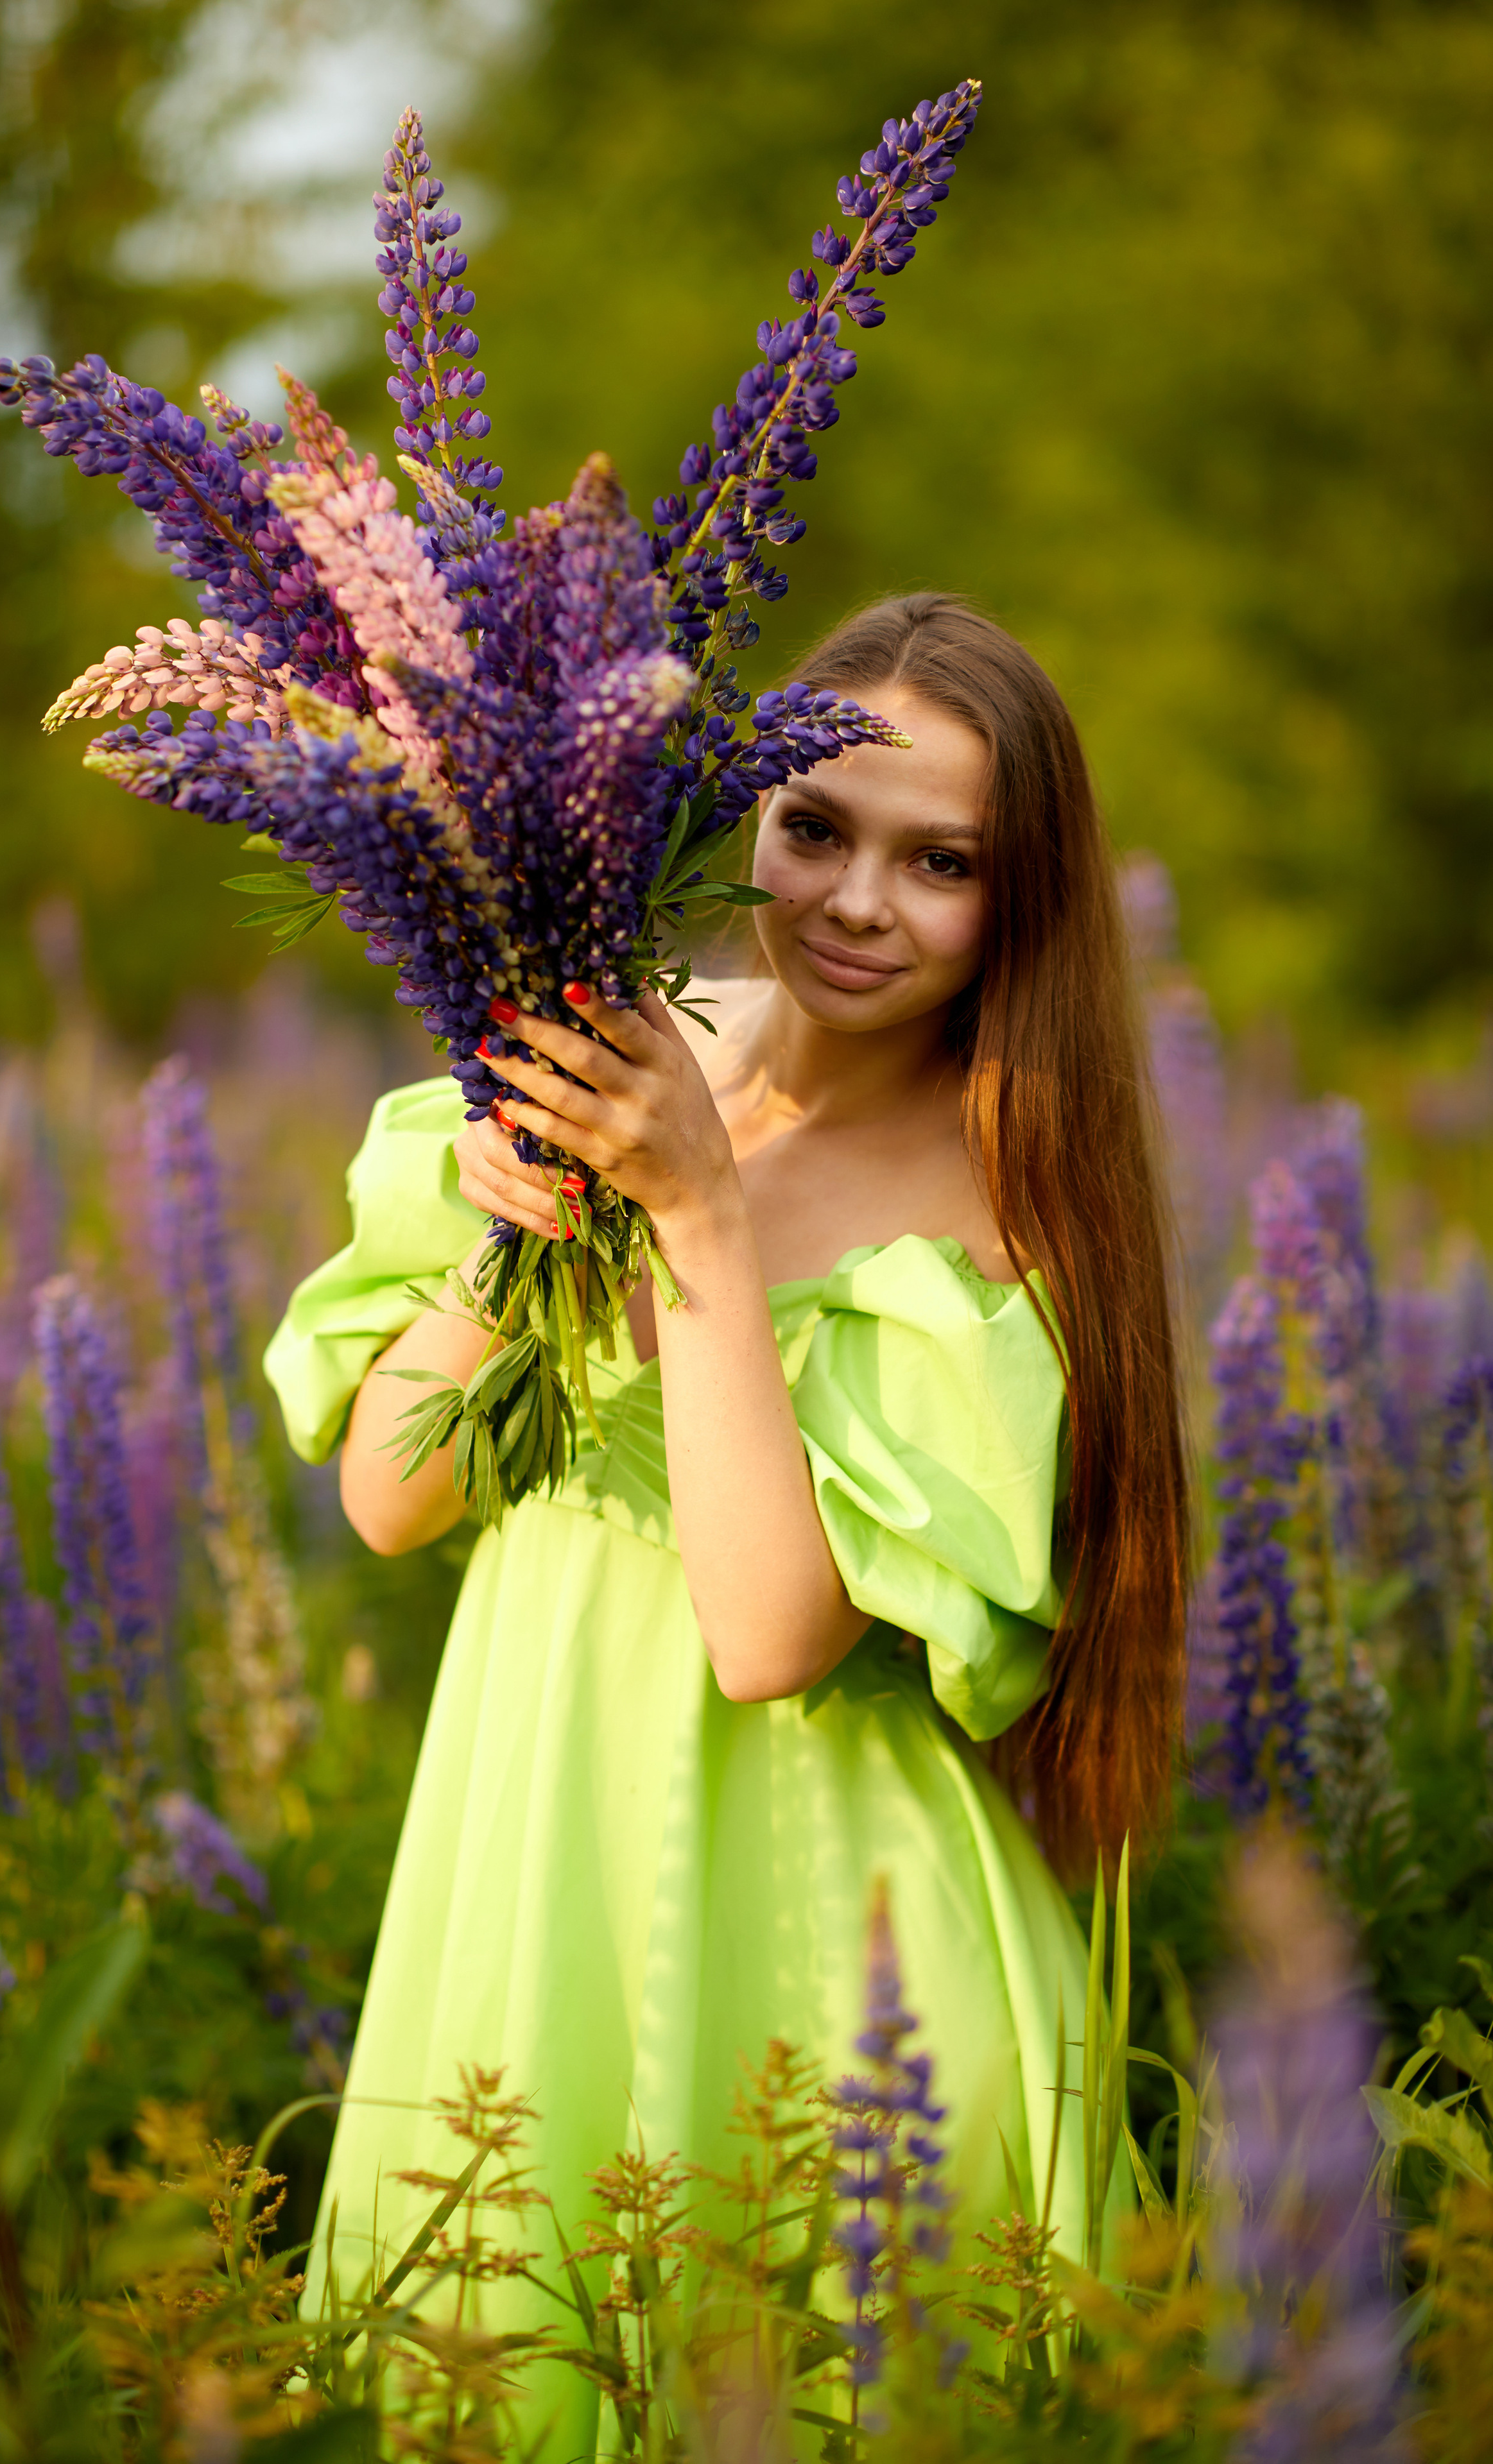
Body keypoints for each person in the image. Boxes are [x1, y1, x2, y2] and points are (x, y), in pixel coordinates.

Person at [264, 591, 1187, 2440]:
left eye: (944, 863)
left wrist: (697, 1218)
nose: (858, 901)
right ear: (738, 811)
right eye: (817, 828)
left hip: (823, 1946)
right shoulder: (615, 1042)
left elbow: (768, 1634)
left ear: (1024, 901)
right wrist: (520, 1215)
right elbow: (389, 1493)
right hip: (537, 1857)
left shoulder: (992, 1209)